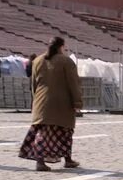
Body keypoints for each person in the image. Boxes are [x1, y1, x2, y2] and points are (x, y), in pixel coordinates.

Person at [20, 36, 82, 171]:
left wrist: (35, 99)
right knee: (64, 132)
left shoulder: (37, 60)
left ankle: (46, 160)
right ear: (62, 46)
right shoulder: (67, 61)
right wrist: (77, 102)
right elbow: (74, 84)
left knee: (43, 132)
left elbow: (33, 83)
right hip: (62, 103)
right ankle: (64, 160)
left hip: (41, 101)